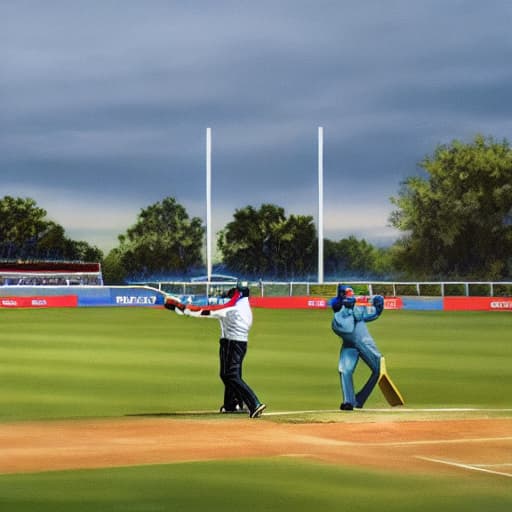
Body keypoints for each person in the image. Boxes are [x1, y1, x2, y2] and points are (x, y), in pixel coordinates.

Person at [164, 282, 266, 419]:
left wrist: (183, 308)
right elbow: (210, 307)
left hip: (233, 343)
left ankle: (255, 403)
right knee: (226, 375)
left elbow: (208, 311)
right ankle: (231, 404)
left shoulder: (233, 306)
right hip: (234, 343)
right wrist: (181, 308)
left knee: (231, 375)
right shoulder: (242, 305)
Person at [330, 284, 385, 410]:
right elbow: (346, 326)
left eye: (351, 293)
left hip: (363, 342)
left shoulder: (357, 308)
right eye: (348, 293)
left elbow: (372, 313)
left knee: (378, 369)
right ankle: (348, 401)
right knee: (344, 370)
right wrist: (349, 306)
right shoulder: (339, 314)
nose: (350, 295)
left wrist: (378, 306)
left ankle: (360, 399)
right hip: (350, 345)